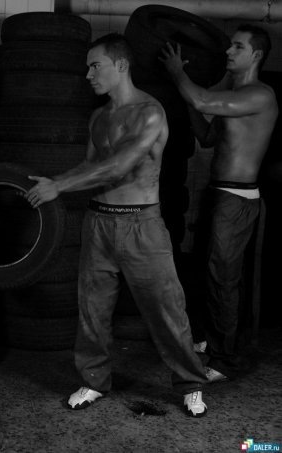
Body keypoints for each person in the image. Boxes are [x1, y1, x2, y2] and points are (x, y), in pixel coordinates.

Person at [26, 33, 208, 417]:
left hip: (142, 224)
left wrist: (58, 186)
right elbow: (91, 166)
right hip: (98, 222)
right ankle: (94, 380)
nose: (88, 74)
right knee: (92, 310)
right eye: (88, 67)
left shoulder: (150, 112)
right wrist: (58, 182)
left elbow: (120, 166)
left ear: (121, 65)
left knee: (166, 309)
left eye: (96, 65)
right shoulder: (99, 117)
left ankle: (191, 383)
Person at [160, 25, 278, 382]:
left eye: (237, 47)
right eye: (229, 45)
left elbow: (202, 101)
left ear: (256, 55)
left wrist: (177, 73)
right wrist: (187, 98)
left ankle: (225, 358)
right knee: (211, 275)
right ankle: (214, 341)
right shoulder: (236, 95)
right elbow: (207, 136)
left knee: (223, 279)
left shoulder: (260, 95)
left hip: (237, 198)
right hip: (219, 194)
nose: (228, 51)